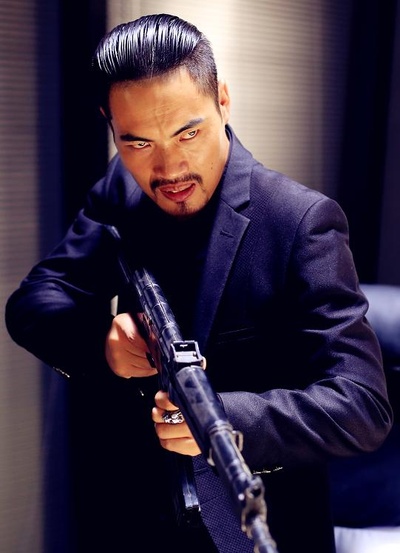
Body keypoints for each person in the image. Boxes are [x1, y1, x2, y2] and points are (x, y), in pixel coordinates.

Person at [5, 13, 393, 553]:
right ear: (111, 126)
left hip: (257, 529)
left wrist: (220, 421)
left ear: (223, 101)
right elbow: (34, 302)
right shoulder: (122, 189)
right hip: (131, 519)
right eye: (138, 143)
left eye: (188, 132)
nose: (169, 168)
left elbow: (363, 406)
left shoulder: (301, 221)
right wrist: (103, 345)